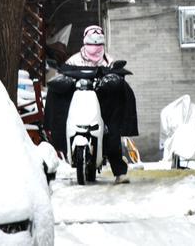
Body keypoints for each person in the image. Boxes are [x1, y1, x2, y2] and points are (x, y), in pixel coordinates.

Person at [46, 25, 137, 184]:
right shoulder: (74, 60)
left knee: (112, 133)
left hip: (103, 108)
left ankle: (119, 172)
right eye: (91, 45)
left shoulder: (109, 61)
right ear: (84, 43)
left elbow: (118, 79)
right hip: (79, 104)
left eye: (98, 45)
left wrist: (111, 80)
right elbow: (63, 73)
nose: (95, 49)